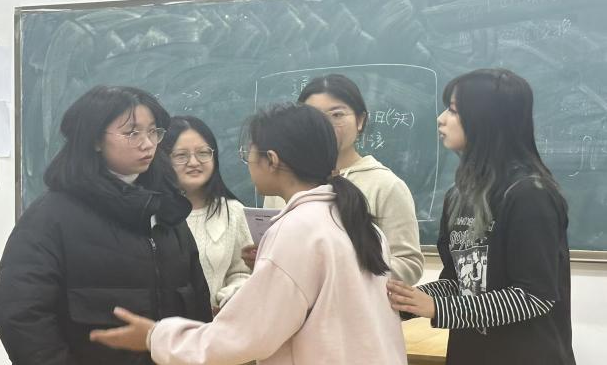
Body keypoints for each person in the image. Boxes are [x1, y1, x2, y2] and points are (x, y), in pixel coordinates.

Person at [89, 103, 408, 365]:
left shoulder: (298, 229)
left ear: (272, 160)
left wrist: (155, 336)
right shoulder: (356, 221)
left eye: (249, 154)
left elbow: (244, 337)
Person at [0, 86, 212, 365]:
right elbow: (19, 313)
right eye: (132, 133)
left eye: (153, 132)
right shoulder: (51, 217)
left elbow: (197, 301)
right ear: (95, 139)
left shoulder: (166, 208)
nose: (147, 144)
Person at [387, 69, 575, 365]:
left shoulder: (529, 194)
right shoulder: (458, 195)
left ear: (487, 119)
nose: (440, 119)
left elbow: (535, 296)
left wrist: (437, 308)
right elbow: (458, 283)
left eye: (453, 110)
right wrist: (407, 302)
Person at [255, 73, 423, 284]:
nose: (325, 124)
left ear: (360, 120)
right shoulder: (282, 180)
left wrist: (340, 270)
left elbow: (409, 265)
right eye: (314, 117)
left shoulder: (386, 185)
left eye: (337, 115)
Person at [159, 116, 253, 315]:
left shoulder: (233, 212)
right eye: (181, 155)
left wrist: (229, 297)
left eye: (203, 153)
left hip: (218, 325)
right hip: (165, 326)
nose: (194, 162)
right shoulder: (152, 213)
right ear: (163, 160)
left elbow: (243, 272)